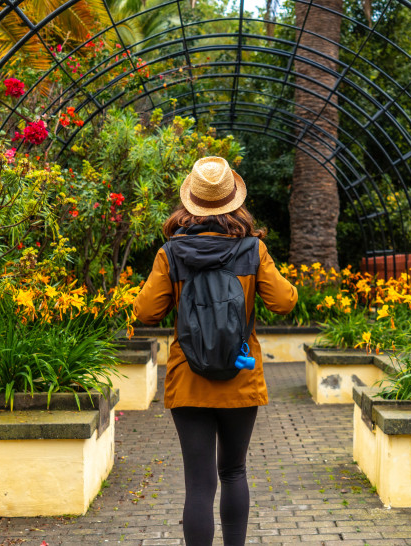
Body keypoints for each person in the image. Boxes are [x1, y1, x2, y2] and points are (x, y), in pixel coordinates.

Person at [133, 156, 298, 546]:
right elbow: (285, 302)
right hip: (240, 377)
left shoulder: (170, 254)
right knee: (234, 472)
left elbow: (145, 313)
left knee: (199, 484)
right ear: (233, 201)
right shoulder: (253, 251)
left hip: (188, 380)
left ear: (190, 202)